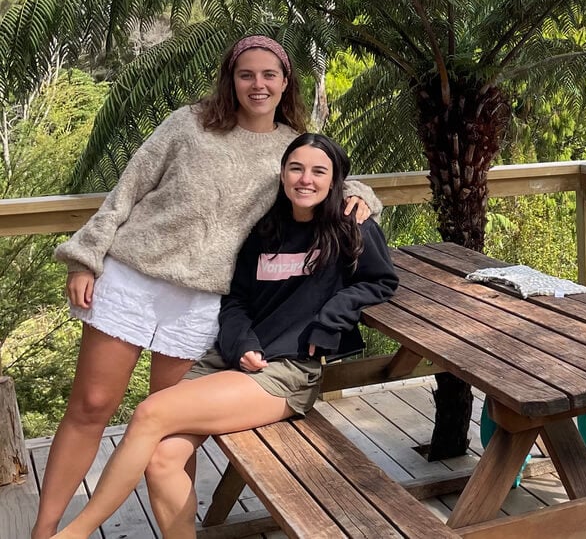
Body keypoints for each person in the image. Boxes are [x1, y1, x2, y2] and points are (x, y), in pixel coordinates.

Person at [34, 35, 381, 539]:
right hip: (132, 278)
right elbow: (127, 190)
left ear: (286, 83)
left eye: (269, 75)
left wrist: (366, 193)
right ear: (231, 79)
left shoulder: (289, 145)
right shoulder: (188, 123)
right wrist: (85, 257)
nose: (257, 85)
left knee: (170, 429)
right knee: (90, 406)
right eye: (246, 74)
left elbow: (330, 177)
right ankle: (44, 531)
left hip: (201, 301)